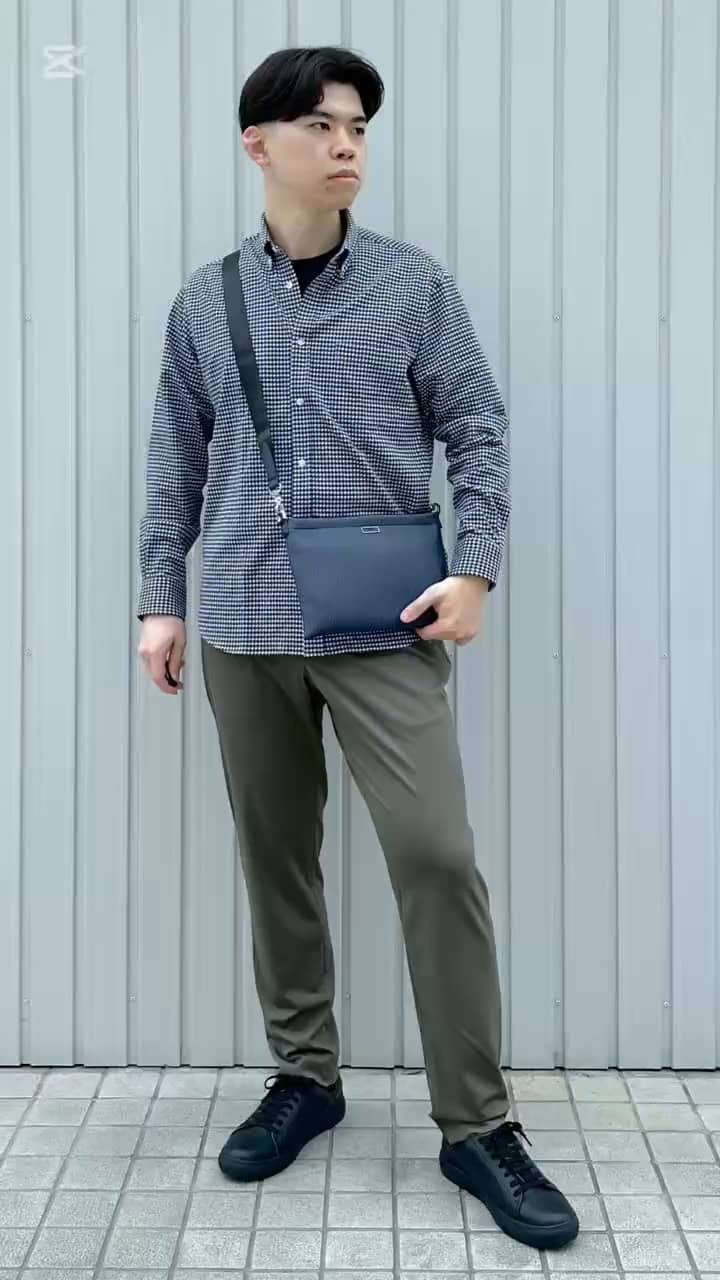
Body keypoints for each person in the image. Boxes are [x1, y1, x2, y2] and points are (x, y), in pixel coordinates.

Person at [136, 45, 578, 1251]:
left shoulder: (413, 286)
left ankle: (477, 1122)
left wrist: (475, 565)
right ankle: (306, 1074)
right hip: (242, 621)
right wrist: (159, 599)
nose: (347, 146)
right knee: (276, 858)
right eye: (324, 125)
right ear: (259, 144)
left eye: (360, 128)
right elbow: (176, 458)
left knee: (436, 854)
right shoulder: (204, 301)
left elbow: (476, 428)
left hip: (386, 621)